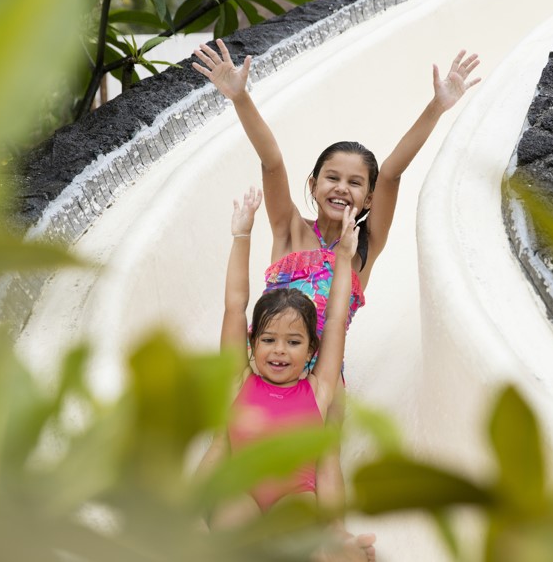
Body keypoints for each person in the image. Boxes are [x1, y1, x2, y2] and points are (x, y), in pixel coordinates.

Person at [193, 38, 481, 521]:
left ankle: (327, 534)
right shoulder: (288, 230)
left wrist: (437, 106)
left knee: (324, 457)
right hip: (263, 357)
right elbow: (271, 162)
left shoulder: (361, 252)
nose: (342, 188)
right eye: (331, 177)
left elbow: (391, 173)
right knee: (228, 436)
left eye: (354, 183)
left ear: (367, 200)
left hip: (321, 372)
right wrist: (240, 98)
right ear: (313, 185)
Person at [205, 187, 375, 561]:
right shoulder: (239, 380)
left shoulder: (318, 390)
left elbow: (333, 320)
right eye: (268, 339)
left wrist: (344, 258)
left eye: (294, 342)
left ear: (312, 351)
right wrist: (242, 234)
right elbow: (235, 306)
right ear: (252, 344)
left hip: (295, 497)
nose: (279, 349)